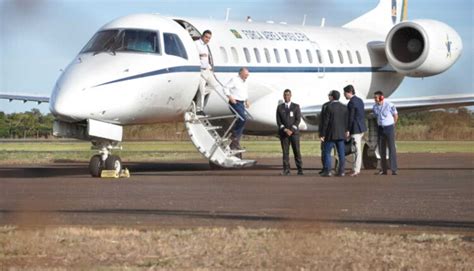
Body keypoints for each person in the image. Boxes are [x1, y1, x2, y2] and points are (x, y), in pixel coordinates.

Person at [319, 90, 348, 177]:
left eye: (329, 95)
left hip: (330, 135)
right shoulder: (344, 107)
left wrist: (322, 134)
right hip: (341, 134)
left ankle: (328, 171)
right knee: (341, 153)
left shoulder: (329, 107)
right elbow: (346, 121)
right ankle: (342, 171)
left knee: (327, 152)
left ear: (332, 97)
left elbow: (325, 122)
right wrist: (346, 130)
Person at [276, 89, 303, 176]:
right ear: (283, 96)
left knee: (297, 151)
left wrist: (291, 130)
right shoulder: (280, 107)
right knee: (285, 152)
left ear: (291, 96)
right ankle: (286, 170)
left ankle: (300, 169)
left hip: (294, 134)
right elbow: (278, 121)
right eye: (285, 95)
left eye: (288, 95)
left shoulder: (296, 106)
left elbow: (298, 119)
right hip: (284, 134)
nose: (286, 96)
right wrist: (285, 129)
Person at [343, 85, 367, 177]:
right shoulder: (360, 100)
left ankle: (356, 170)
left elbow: (351, 117)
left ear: (349, 92)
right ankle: (354, 168)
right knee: (355, 149)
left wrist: (348, 130)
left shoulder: (351, 103)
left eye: (345, 93)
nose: (344, 95)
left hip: (355, 129)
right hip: (361, 128)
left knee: (356, 150)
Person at [372, 91, 398, 175]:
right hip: (380, 129)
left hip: (389, 128)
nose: (374, 99)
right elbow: (376, 116)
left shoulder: (389, 105)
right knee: (381, 149)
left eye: (376, 97)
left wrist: (393, 124)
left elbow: (395, 115)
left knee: (391, 148)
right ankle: (384, 170)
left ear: (381, 97)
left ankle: (394, 169)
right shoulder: (374, 107)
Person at [224, 67, 250, 150]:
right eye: (246, 74)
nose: (247, 76)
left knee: (242, 121)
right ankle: (234, 135)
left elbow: (244, 92)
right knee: (243, 119)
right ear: (241, 73)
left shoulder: (244, 82)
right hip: (235, 102)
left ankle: (235, 141)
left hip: (241, 103)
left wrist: (247, 100)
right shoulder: (234, 80)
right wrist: (230, 97)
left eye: (247, 74)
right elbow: (225, 88)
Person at [194, 30, 219, 112]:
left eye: (209, 38)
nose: (207, 39)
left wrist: (209, 66)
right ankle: (199, 110)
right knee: (201, 91)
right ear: (202, 36)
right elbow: (192, 54)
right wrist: (199, 55)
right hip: (200, 70)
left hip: (207, 70)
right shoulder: (196, 44)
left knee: (214, 85)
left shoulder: (206, 46)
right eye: (206, 37)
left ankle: (198, 93)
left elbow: (206, 58)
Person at [318, 99, 331, 174]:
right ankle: (325, 168)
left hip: (328, 134)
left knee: (325, 151)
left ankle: (327, 169)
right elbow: (322, 121)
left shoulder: (326, 106)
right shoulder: (325, 105)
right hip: (329, 134)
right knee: (324, 151)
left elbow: (323, 122)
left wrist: (322, 133)